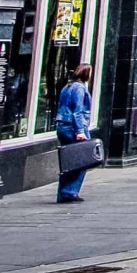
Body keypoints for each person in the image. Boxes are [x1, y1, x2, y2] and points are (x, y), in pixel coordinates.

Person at [54, 64, 93, 203]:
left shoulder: (67, 87)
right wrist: (80, 131)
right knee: (84, 159)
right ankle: (70, 191)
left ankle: (64, 193)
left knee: (69, 161)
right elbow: (78, 111)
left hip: (62, 126)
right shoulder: (79, 88)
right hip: (73, 127)